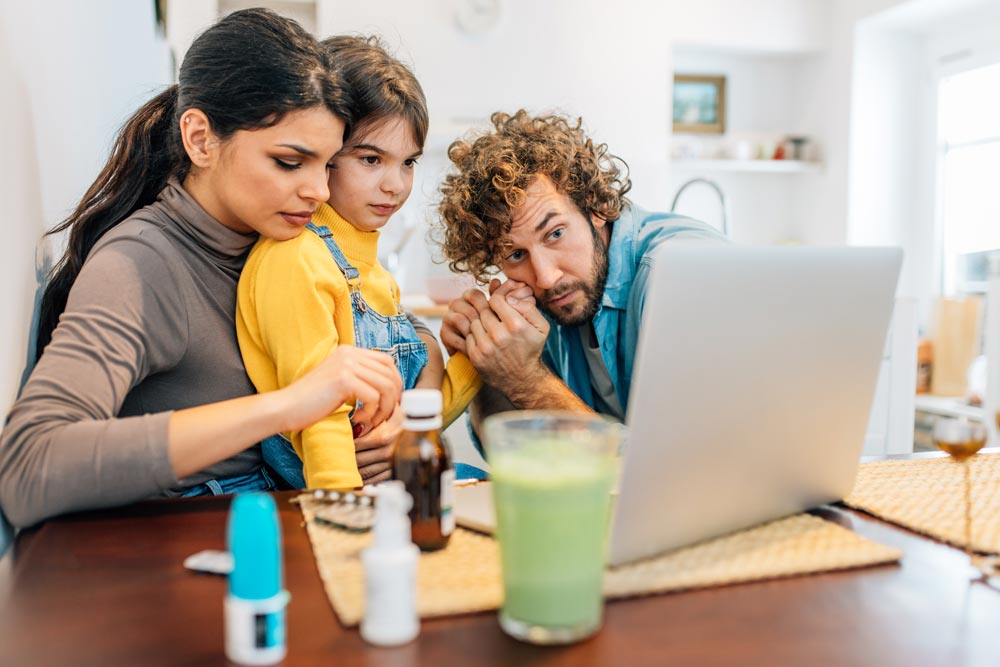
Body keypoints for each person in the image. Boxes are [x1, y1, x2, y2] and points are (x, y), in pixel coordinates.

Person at [0, 9, 404, 529]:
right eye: (288, 162)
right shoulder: (141, 263)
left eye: (326, 165)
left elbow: (392, 327)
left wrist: (401, 411)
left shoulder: (287, 235)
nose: (319, 192)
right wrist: (289, 406)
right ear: (200, 139)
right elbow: (28, 468)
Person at [236, 36, 524, 489]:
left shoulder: (372, 273)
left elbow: (417, 422)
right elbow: (319, 417)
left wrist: (479, 347)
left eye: (408, 162)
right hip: (332, 494)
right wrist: (344, 514)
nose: (395, 185)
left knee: (506, 489)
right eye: (371, 159)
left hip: (387, 488)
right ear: (325, 153)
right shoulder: (296, 258)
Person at [436, 110, 723, 434]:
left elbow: (670, 469)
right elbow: (520, 456)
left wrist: (527, 381)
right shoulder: (545, 306)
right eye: (516, 254)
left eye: (555, 234)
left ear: (596, 206)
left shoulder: (681, 275)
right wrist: (485, 365)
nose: (545, 277)